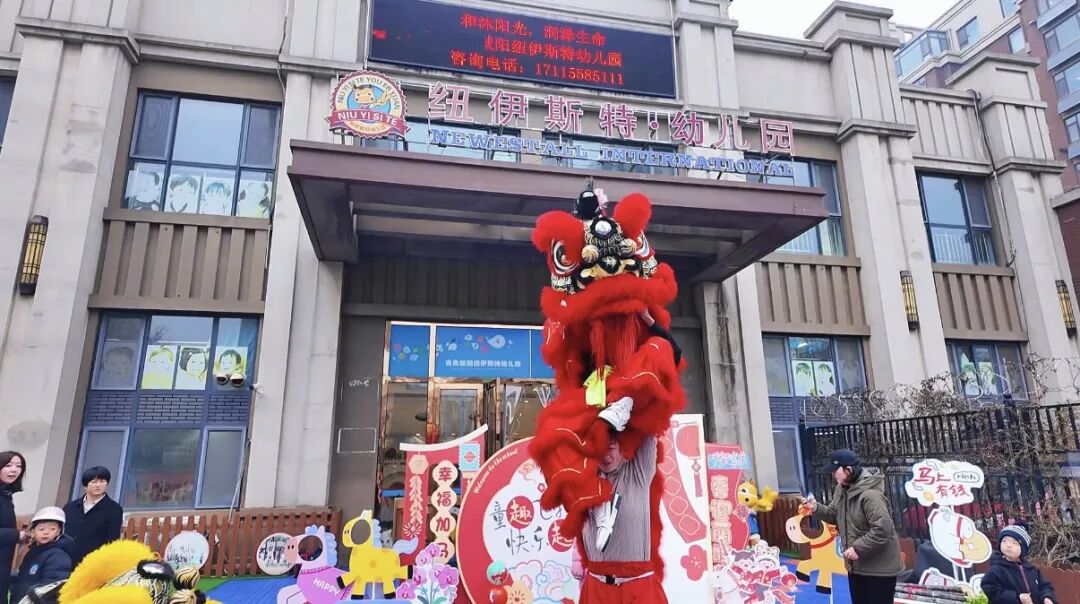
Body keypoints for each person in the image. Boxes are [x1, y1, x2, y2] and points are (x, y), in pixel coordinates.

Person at [577, 428, 667, 603]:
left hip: (637, 585)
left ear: (622, 447)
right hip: (597, 587)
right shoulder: (584, 477)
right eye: (600, 449)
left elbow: (648, 425)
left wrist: (622, 415)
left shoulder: (638, 472)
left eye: (610, 448)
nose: (605, 456)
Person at [804, 449, 903, 604]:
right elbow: (835, 515)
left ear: (848, 470)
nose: (833, 475)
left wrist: (857, 548)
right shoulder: (842, 489)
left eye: (835, 471)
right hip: (856, 566)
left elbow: (883, 529)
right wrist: (816, 508)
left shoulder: (870, 495)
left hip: (879, 570)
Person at [981, 523, 1058, 604]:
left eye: (1014, 543)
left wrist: (1048, 597)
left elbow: (1045, 586)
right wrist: (1017, 597)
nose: (1008, 545)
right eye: (1004, 541)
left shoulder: (1032, 569)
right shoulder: (996, 570)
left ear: (1023, 548)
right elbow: (991, 590)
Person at [63, 466, 124, 567]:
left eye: (102, 481)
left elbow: (112, 540)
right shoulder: (70, 507)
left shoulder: (114, 509)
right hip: (66, 560)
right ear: (85, 486)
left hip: (94, 563)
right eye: (94, 482)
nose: (98, 485)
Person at [9, 506, 72, 603]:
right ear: (33, 531)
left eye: (52, 529)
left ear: (59, 531)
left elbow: (52, 588)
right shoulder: (32, 553)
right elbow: (22, 579)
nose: (46, 532)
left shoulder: (58, 556)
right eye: (41, 529)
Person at [0, 451, 28, 602]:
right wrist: (17, 535)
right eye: (8, 465)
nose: (14, 470)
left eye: (19, 466)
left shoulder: (6, 494)